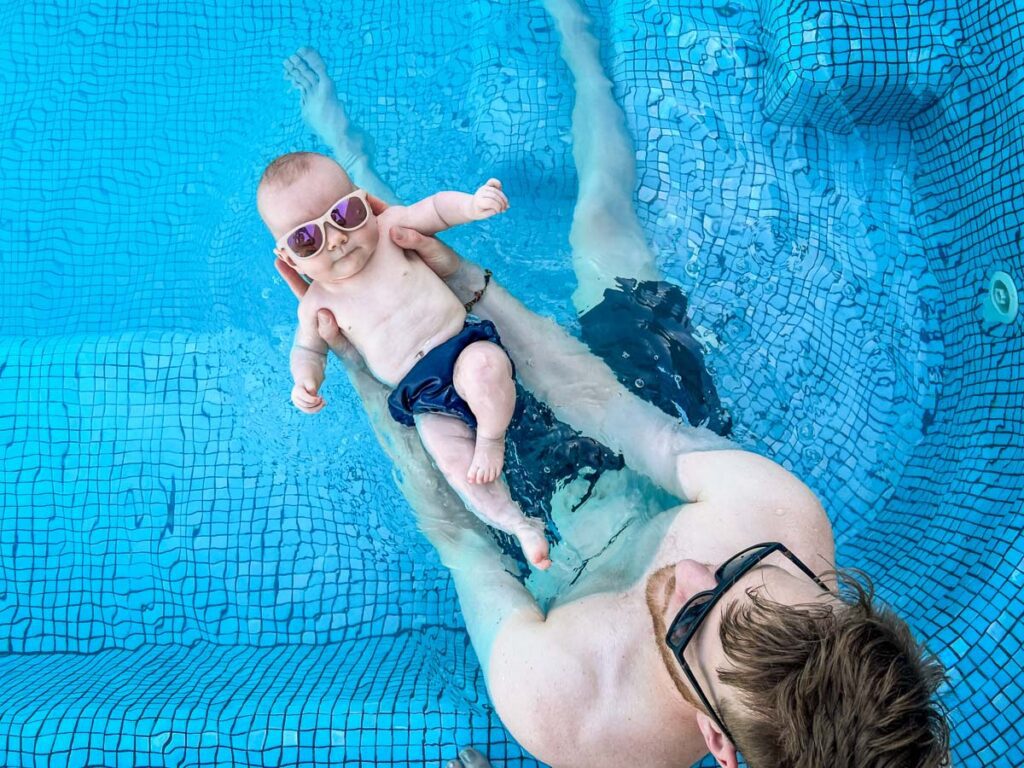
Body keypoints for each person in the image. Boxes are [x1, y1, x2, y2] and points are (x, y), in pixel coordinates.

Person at [275, 47, 951, 767]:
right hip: (643, 431)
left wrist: (369, 375)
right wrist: (471, 286)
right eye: (749, 569)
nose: (696, 566)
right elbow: (612, 409)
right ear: (835, 597)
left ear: (716, 742)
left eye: (692, 618)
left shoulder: (567, 713)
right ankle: (580, 46)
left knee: (400, 360)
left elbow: (465, 546)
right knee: (602, 221)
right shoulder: (782, 519)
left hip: (532, 527)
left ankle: (357, 184)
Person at [257, 154, 551, 570]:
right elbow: (307, 349)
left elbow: (434, 209)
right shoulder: (317, 303)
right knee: (453, 464)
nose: (336, 239)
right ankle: (519, 525)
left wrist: (471, 205)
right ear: (288, 257)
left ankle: (492, 439)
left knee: (485, 369)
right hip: (420, 392)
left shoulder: (390, 228)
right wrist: (305, 381)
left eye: (344, 213)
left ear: (364, 201)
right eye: (307, 240)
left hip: (461, 347)